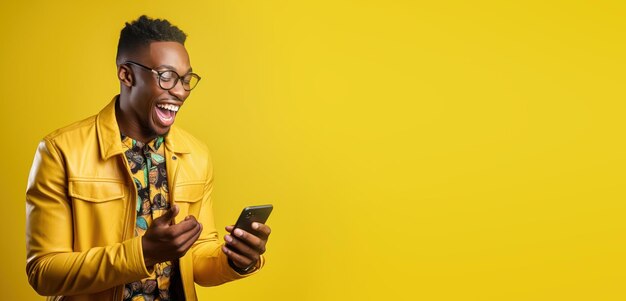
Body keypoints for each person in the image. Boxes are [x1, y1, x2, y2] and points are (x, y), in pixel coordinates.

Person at [25, 15, 271, 301]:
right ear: (127, 75)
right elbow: (43, 272)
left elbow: (199, 261)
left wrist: (236, 259)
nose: (180, 91)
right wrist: (143, 253)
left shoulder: (196, 155)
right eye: (166, 76)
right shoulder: (60, 151)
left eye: (186, 79)